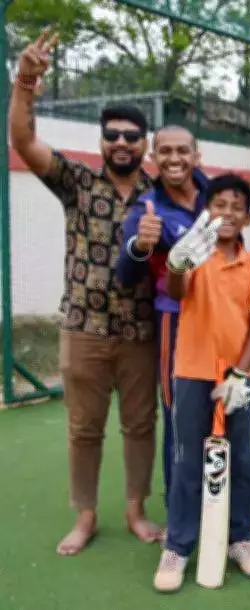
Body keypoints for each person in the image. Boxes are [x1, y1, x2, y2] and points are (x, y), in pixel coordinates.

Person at [10, 28, 162, 555]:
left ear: (146, 143)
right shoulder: (77, 182)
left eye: (131, 136)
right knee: (84, 428)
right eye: (113, 135)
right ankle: (87, 515)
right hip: (84, 328)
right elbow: (23, 142)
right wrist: (26, 83)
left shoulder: (159, 194)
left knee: (141, 425)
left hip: (142, 332)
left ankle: (137, 511)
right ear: (101, 141)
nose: (122, 142)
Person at [153, 173, 250, 592]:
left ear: (248, 218)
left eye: (236, 206)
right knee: (186, 460)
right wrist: (176, 264)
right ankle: (179, 545)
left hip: (236, 377)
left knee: (243, 459)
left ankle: (240, 538)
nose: (227, 212)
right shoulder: (193, 254)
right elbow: (175, 289)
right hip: (191, 372)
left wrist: (240, 374)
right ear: (207, 211)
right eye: (219, 204)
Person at [117, 125, 208, 507]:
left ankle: (221, 506)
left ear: (196, 155)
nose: (174, 159)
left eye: (182, 151)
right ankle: (180, 511)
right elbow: (124, 273)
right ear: (153, 157)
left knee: (224, 409)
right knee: (180, 416)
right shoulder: (147, 208)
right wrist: (141, 244)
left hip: (221, 321)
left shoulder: (215, 196)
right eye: (165, 151)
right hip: (176, 321)